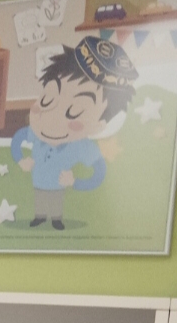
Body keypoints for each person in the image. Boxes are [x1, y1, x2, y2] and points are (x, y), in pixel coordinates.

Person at [10, 36, 137, 230]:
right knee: (40, 199)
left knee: (55, 201)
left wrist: (75, 182)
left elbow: (99, 173)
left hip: (58, 187)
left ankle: (56, 219)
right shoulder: (35, 134)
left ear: (98, 125)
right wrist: (20, 160)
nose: (52, 116)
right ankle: (40, 217)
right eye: (47, 99)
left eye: (75, 111)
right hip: (38, 183)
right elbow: (18, 138)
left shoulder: (81, 146)